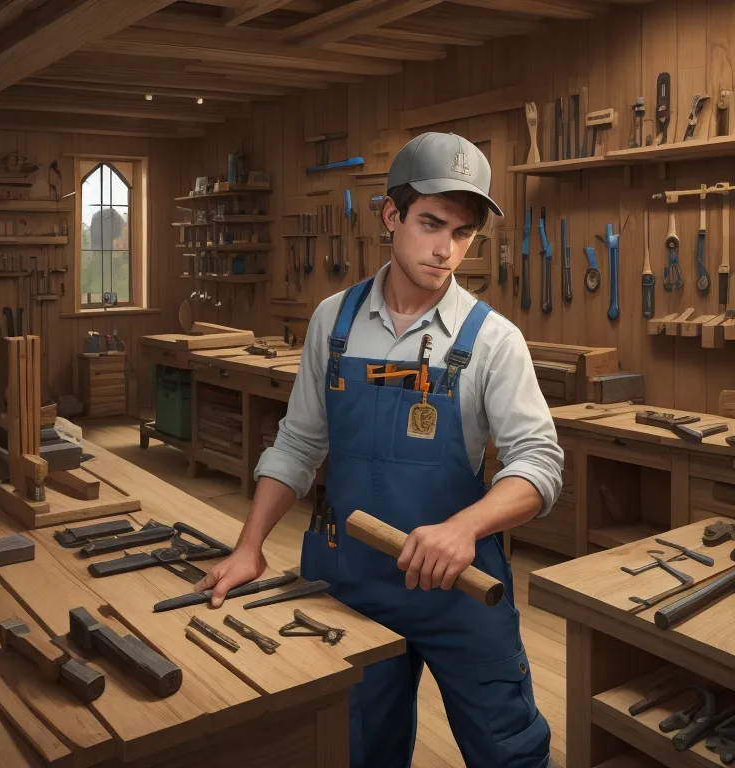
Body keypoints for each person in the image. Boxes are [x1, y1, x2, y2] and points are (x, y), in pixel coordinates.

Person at [195, 132, 563, 768]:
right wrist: (250, 546)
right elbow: (299, 443)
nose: (447, 249)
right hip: (352, 584)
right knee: (362, 750)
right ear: (391, 216)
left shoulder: (494, 340)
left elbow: (540, 464)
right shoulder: (332, 323)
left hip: (461, 588)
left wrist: (464, 527)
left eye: (464, 233)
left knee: (509, 753)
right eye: (430, 224)